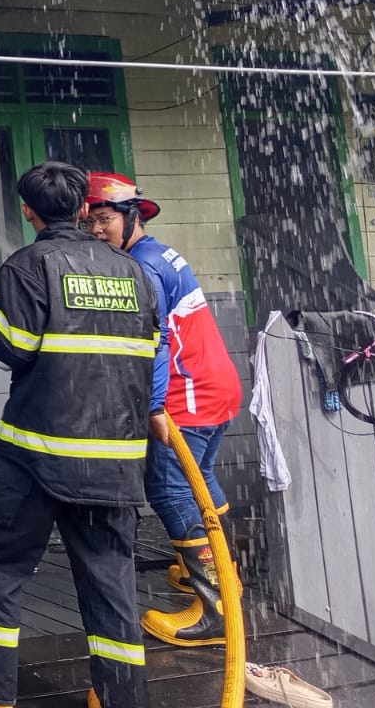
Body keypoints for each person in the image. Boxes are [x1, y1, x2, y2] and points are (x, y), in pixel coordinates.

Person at [0, 162, 160, 708]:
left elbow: (15, 347)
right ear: (85, 209)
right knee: (110, 578)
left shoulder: (28, 265)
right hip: (118, 460)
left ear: (27, 211)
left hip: (39, 456)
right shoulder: (132, 273)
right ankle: (118, 698)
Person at [85, 172, 243, 648]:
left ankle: (215, 612)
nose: (96, 229)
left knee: (170, 489)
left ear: (133, 215)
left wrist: (153, 407)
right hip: (216, 387)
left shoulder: (142, 269)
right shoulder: (156, 253)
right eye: (89, 220)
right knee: (200, 480)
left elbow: (155, 344)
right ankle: (223, 579)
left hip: (185, 396)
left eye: (105, 219)